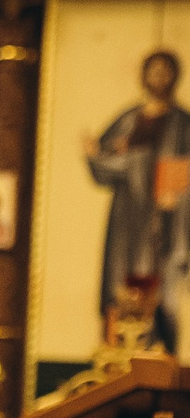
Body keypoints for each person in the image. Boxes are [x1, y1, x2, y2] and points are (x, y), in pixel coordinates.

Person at [85, 46, 190, 351]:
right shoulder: (129, 119)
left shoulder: (182, 123)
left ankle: (158, 347)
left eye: (165, 72)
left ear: (175, 77)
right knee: (119, 279)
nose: (159, 78)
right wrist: (98, 154)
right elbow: (104, 160)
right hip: (127, 215)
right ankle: (115, 348)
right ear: (144, 76)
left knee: (157, 281)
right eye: (153, 71)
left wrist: (177, 196)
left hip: (165, 218)